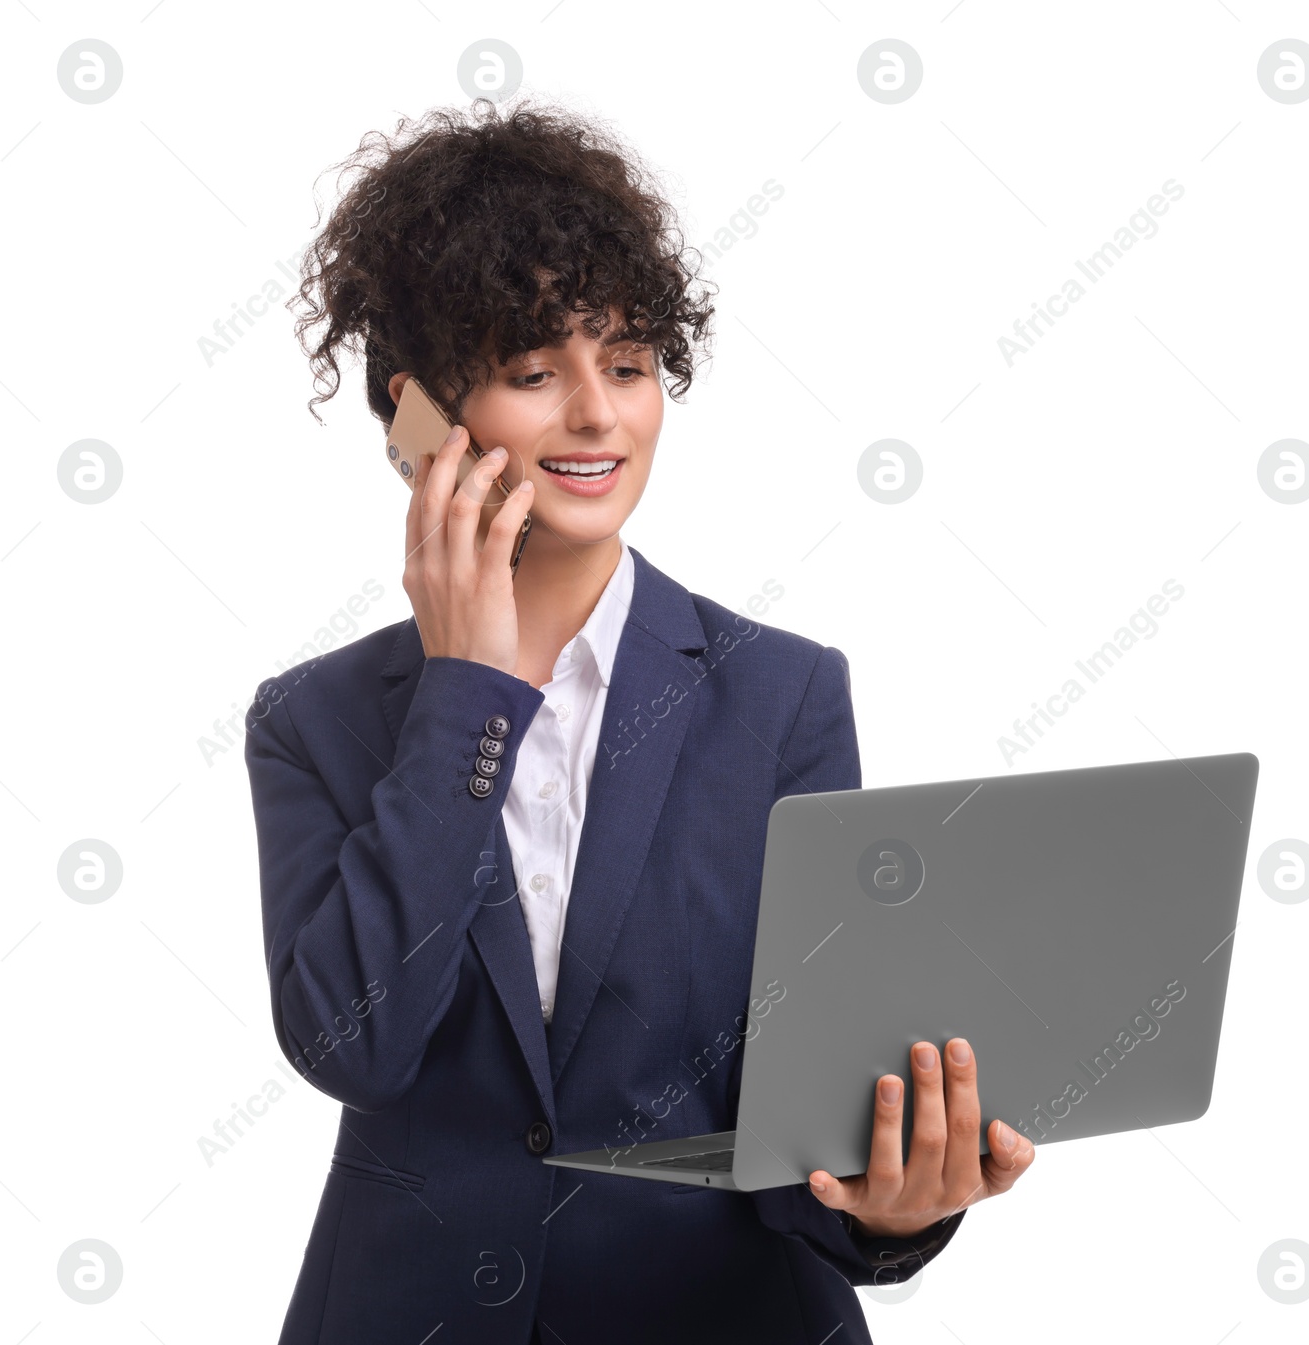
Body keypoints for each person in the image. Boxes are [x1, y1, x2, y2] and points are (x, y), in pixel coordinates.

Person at [244, 95, 1035, 1345]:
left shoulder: (782, 696)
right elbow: (355, 1044)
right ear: (421, 416)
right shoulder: (318, 721)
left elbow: (807, 1100)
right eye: (530, 372)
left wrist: (895, 1213)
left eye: (625, 364)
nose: (598, 415)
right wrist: (467, 699)